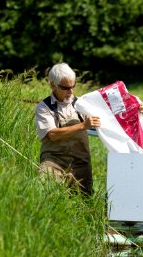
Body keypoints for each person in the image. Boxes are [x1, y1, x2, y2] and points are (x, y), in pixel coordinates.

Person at [35, 63, 101, 195]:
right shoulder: (44, 107)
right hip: (53, 162)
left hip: (81, 164)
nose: (70, 91)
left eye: (73, 86)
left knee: (84, 204)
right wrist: (83, 125)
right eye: (65, 88)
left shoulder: (82, 105)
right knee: (47, 196)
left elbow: (110, 116)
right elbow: (53, 134)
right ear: (53, 85)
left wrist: (135, 108)